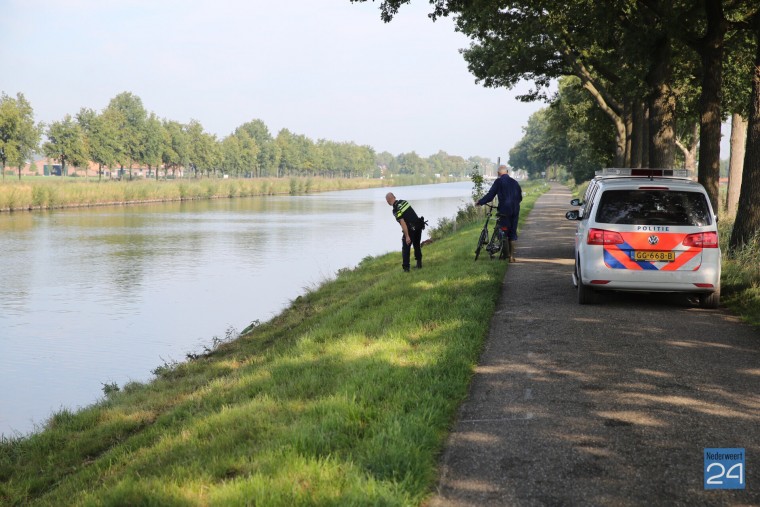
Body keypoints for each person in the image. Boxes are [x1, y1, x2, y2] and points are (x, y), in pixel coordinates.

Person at [476, 165, 522, 261]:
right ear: (507, 172)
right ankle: (511, 257)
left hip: (504, 211)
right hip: (515, 210)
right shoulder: (515, 182)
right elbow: (520, 198)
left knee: (503, 231)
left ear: (498, 173)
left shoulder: (498, 182)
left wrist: (480, 202)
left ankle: (505, 253)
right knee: (512, 233)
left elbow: (490, 195)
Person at [386, 192, 424, 271]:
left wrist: (407, 236)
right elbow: (411, 214)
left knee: (406, 246)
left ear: (388, 201)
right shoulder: (404, 202)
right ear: (394, 197)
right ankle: (419, 264)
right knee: (416, 245)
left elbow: (402, 222)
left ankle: (406, 268)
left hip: (411, 228)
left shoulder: (396, 209)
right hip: (418, 225)